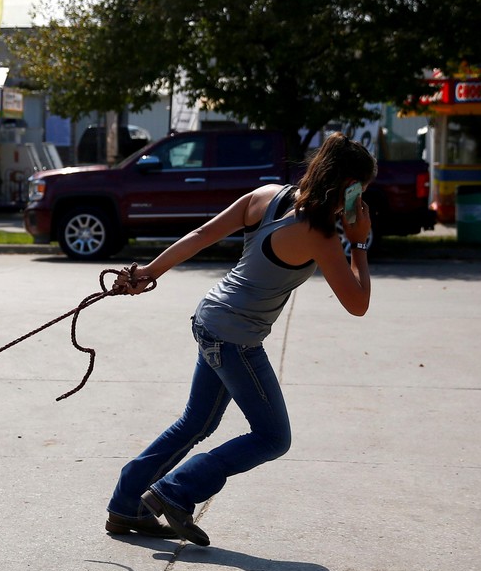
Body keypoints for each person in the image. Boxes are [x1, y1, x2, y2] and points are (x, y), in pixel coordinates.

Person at [105, 134, 376, 545]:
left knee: (197, 421)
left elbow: (200, 235)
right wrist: (358, 241)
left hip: (210, 318)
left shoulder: (268, 195)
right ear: (348, 187)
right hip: (234, 338)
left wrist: (149, 272)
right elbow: (358, 304)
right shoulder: (318, 234)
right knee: (272, 437)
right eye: (360, 190)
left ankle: (128, 502)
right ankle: (175, 491)